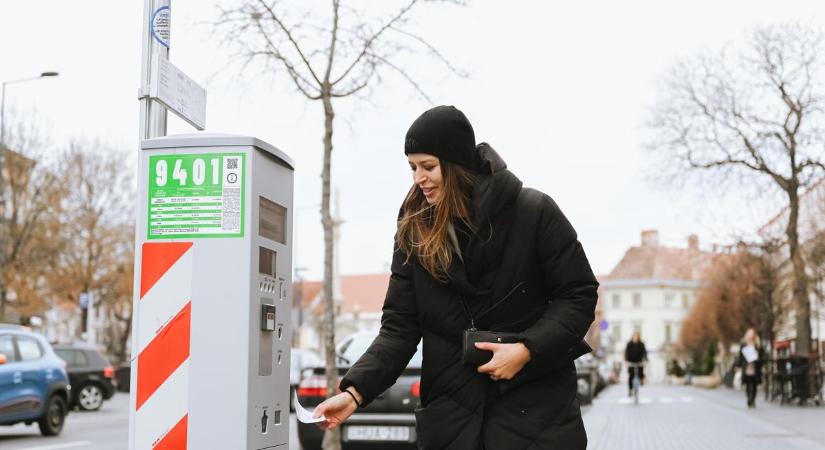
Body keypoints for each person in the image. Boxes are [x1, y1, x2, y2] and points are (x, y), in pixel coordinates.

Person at [311, 105, 598, 449]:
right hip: (451, 424)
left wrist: (527, 349)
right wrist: (355, 392)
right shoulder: (413, 230)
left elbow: (578, 295)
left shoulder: (534, 212)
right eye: (412, 167)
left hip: (537, 419)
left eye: (428, 166)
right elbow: (399, 328)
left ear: (457, 164)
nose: (419, 178)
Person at [736, 328, 763, 408]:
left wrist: (757, 355)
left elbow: (762, 355)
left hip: (755, 366)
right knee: (748, 383)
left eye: (752, 334)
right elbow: (740, 356)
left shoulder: (757, 344)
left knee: (754, 384)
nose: (750, 335)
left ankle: (753, 399)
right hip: (747, 366)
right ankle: (749, 399)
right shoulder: (743, 344)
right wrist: (738, 365)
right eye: (749, 333)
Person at [624, 331, 647, 396]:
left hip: (639, 361)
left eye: (636, 336)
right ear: (632, 337)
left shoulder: (641, 344)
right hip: (631, 362)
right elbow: (626, 353)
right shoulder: (629, 344)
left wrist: (645, 360)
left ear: (638, 337)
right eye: (634, 336)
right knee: (631, 376)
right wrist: (626, 361)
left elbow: (644, 353)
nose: (635, 338)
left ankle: (641, 379)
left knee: (641, 372)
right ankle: (630, 389)